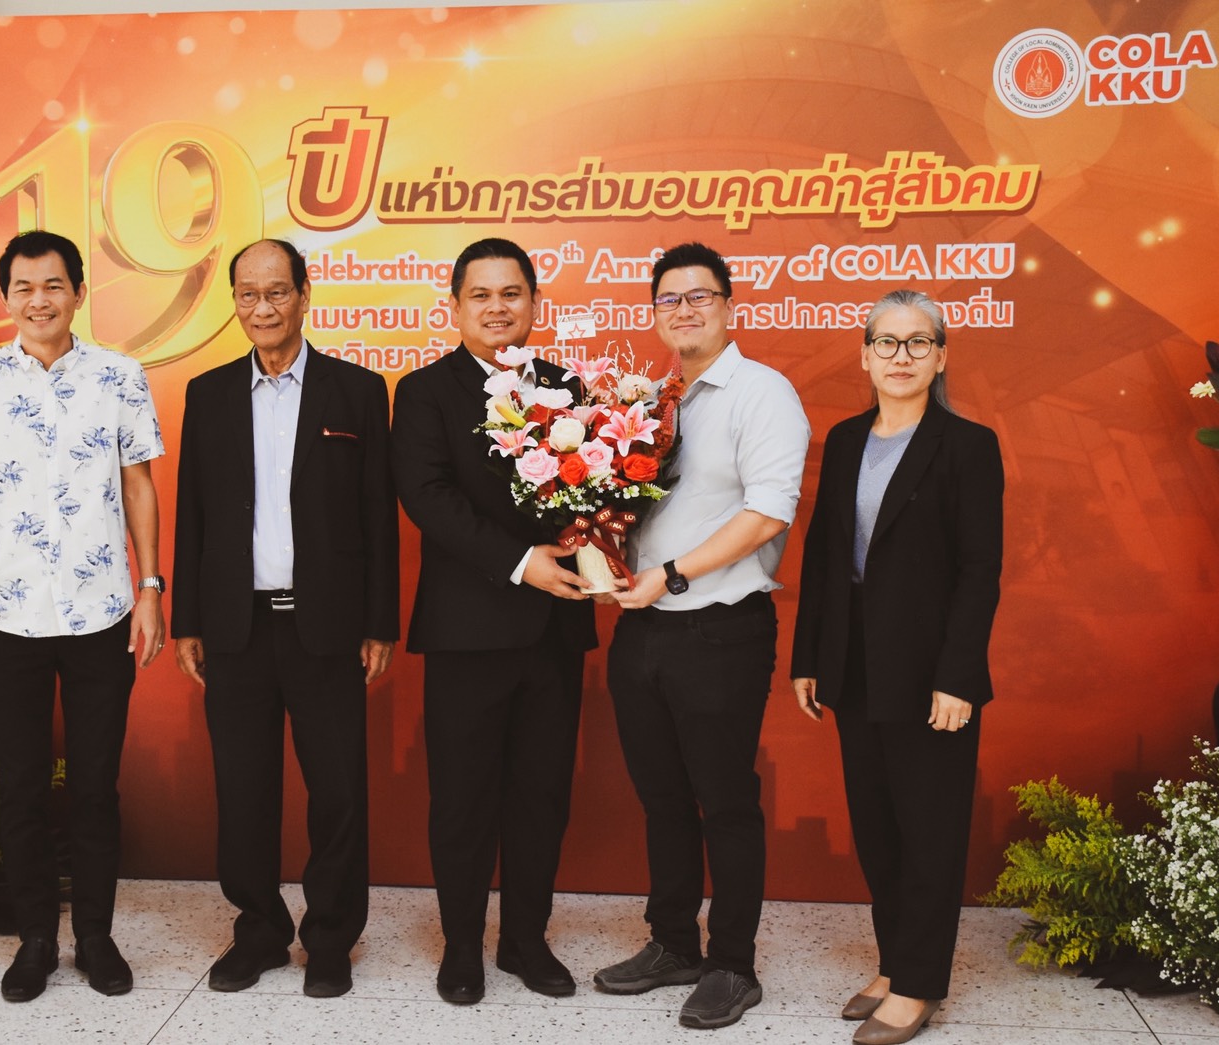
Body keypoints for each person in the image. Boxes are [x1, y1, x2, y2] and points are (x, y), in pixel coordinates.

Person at [0, 229, 165, 1002]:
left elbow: (138, 485)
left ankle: (95, 936)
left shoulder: (119, 376)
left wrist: (150, 588)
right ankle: (35, 938)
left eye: (54, 284)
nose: (40, 300)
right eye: (24, 287)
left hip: (102, 614)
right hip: (7, 615)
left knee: (96, 786)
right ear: (6, 297)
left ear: (79, 292)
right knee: (21, 786)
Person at [172, 238, 398, 999]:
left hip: (325, 628)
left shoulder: (356, 391)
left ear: (304, 294)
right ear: (234, 301)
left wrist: (379, 622)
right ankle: (260, 931)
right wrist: (188, 619)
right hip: (235, 627)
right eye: (247, 294)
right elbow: (194, 513)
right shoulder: (207, 393)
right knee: (243, 791)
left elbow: (377, 514)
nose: (262, 307)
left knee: (337, 792)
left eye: (276, 292)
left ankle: (330, 937)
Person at [594, 242, 809, 1029]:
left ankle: (732, 964)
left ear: (727, 305)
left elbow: (768, 512)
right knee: (661, 799)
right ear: (653, 313)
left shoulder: (762, 392)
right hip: (641, 629)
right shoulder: (650, 400)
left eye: (699, 296)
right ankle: (673, 943)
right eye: (668, 299)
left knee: (725, 801)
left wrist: (672, 574)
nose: (683, 310)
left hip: (720, 628)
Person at [790, 289, 1003, 1045]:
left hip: (928, 672)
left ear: (940, 357)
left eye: (918, 343)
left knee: (928, 829)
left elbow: (979, 570)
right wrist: (809, 656)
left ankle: (917, 984)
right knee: (877, 826)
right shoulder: (846, 438)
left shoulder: (968, 445)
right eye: (886, 341)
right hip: (853, 664)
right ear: (865, 355)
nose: (901, 356)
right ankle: (894, 961)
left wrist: (957, 675)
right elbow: (824, 556)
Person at [391, 237, 596, 1005]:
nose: (497, 307)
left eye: (511, 293)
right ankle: (461, 944)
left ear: (534, 303)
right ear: (455, 307)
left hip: (554, 629)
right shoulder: (424, 392)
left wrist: (593, 543)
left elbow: (590, 493)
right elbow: (427, 496)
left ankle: (525, 939)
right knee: (463, 799)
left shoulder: (568, 388)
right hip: (466, 630)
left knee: (541, 795)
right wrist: (519, 561)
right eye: (480, 294)